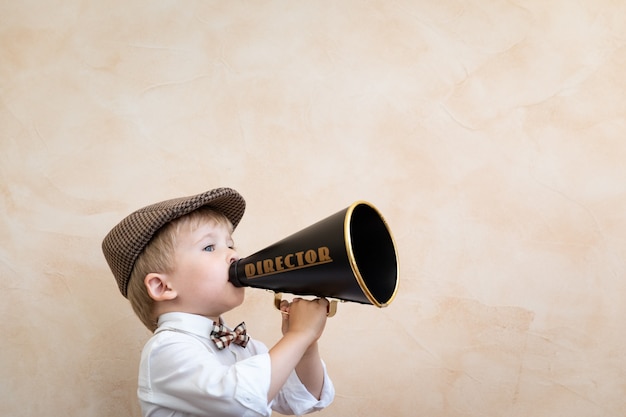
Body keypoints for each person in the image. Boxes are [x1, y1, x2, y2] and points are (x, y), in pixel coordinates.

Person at [101, 187, 334, 416]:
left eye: (230, 244)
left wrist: (306, 344)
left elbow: (303, 400)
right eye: (209, 247)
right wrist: (298, 336)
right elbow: (240, 400)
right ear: (162, 286)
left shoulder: (246, 346)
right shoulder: (166, 349)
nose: (234, 255)